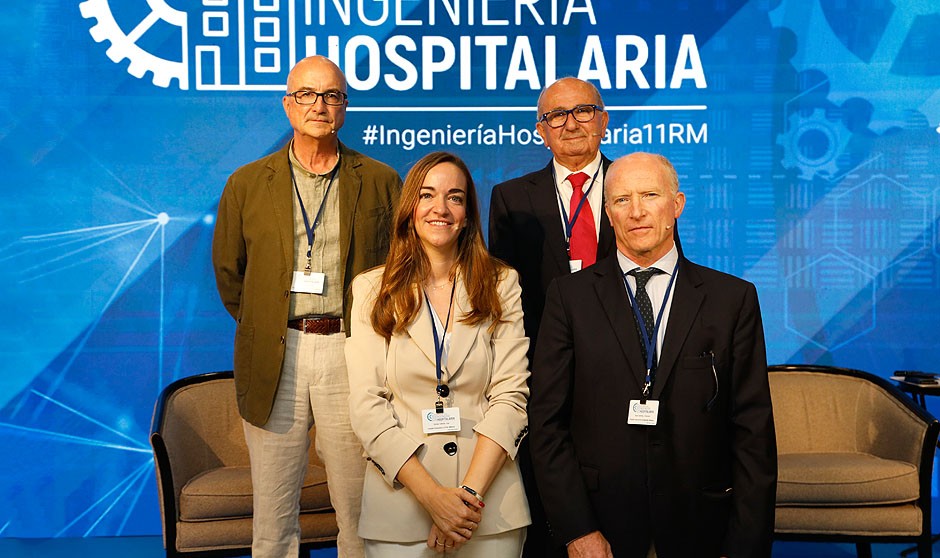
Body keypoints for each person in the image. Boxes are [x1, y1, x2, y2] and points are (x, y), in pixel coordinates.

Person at [528, 152, 777, 558]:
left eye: (649, 195)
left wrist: (744, 546)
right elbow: (546, 423)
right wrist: (577, 529)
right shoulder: (569, 298)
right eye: (622, 200)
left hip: (702, 527)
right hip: (600, 528)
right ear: (608, 214)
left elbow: (753, 432)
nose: (636, 211)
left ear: (676, 205)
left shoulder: (732, 300)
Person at [212, 55, 402, 558]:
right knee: (273, 519)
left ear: (344, 107)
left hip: (352, 350)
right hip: (279, 352)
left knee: (361, 510)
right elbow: (231, 275)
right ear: (287, 105)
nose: (319, 105)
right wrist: (267, 322)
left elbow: (399, 268)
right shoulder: (247, 183)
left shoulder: (380, 180)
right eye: (307, 95)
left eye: (331, 95)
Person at [345, 151, 531, 556]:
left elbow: (510, 397)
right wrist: (434, 499)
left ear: (467, 214)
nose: (440, 208)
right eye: (427, 195)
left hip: (488, 509)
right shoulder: (371, 290)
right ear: (409, 208)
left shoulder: (501, 284)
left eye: (455, 197)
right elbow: (367, 407)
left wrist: (466, 500)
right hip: (401, 509)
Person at [488, 77, 615, 557]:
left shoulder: (635, 184)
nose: (570, 123)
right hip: (545, 369)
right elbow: (502, 298)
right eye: (555, 115)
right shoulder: (511, 197)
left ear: (603, 121)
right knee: (548, 499)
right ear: (540, 130)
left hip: (623, 367)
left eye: (583, 110)